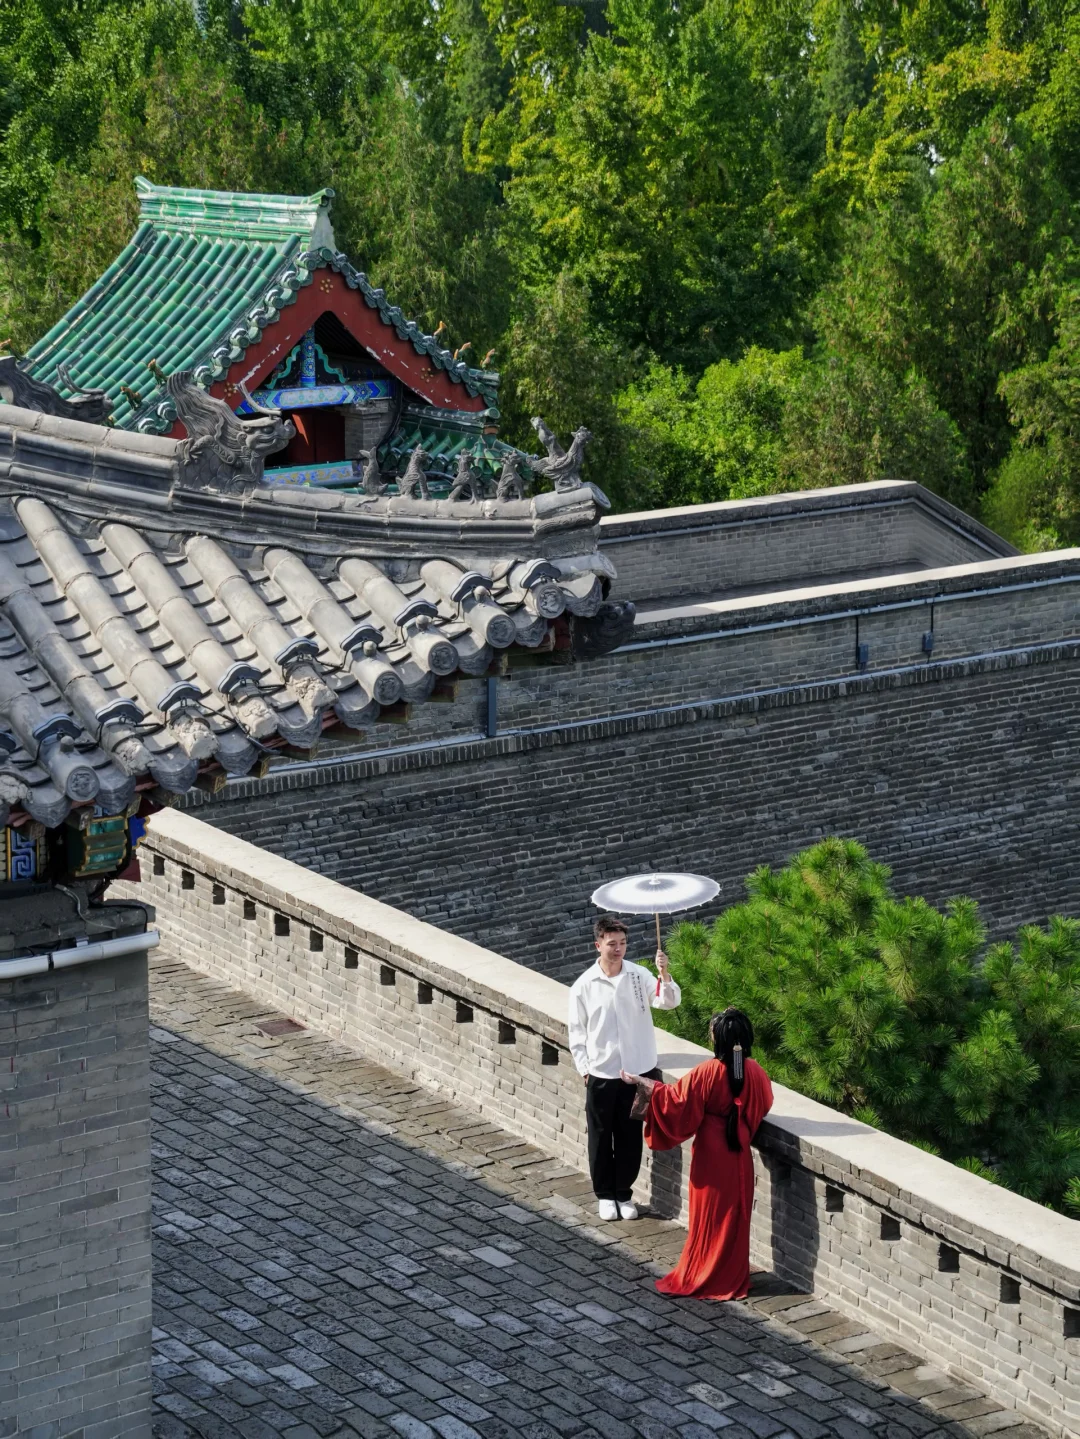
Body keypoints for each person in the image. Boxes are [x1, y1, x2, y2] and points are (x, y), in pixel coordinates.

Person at [621, 1008, 772, 1300]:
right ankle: (732, 1275)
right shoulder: (756, 1073)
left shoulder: (708, 1072)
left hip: (711, 1154)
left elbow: (675, 1101)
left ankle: (703, 1274)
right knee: (734, 1218)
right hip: (738, 1153)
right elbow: (762, 1104)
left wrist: (642, 1084)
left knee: (709, 1217)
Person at [568, 914, 681, 1222]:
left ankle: (623, 1192)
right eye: (612, 944)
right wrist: (586, 1070)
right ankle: (604, 1194)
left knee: (631, 1135)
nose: (618, 949)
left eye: (623, 943)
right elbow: (576, 1033)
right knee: (601, 1136)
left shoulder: (638, 975)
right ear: (598, 945)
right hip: (602, 1074)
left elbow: (667, 1002)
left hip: (638, 1071)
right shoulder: (584, 986)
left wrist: (664, 973)